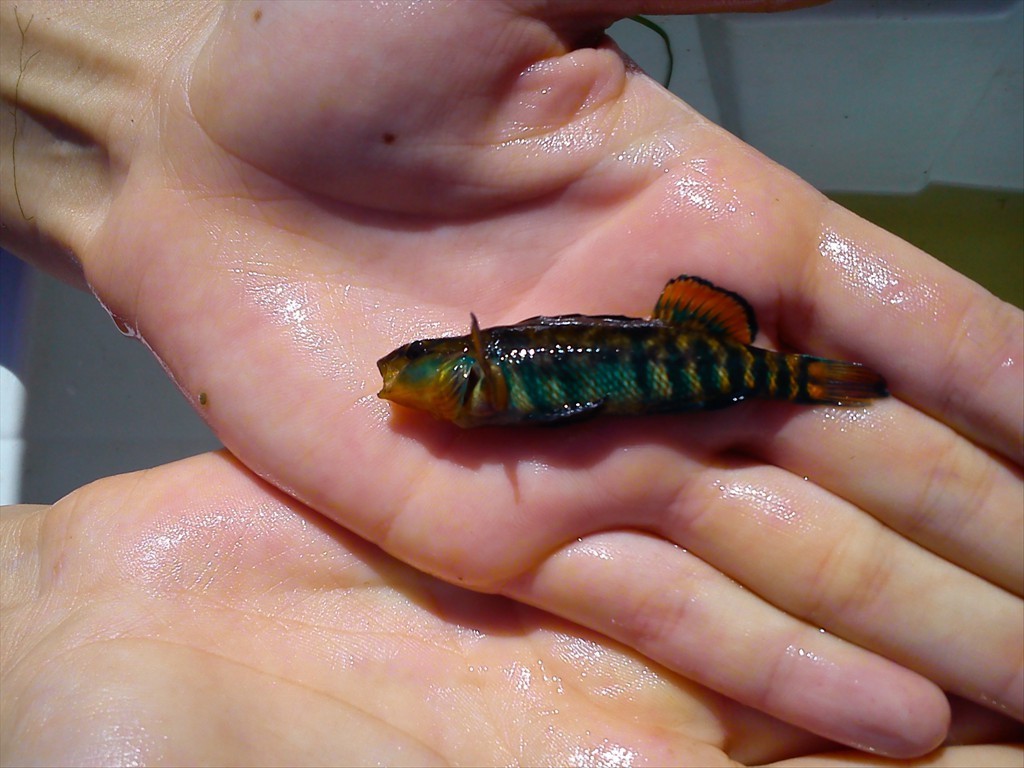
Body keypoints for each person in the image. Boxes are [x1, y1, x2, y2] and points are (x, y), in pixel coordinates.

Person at [1, 1, 1020, 764]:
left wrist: (148, 107)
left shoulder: (482, 384)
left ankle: (813, 382)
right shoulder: (469, 392)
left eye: (414, 369)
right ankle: (811, 382)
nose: (396, 381)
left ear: (469, 366)